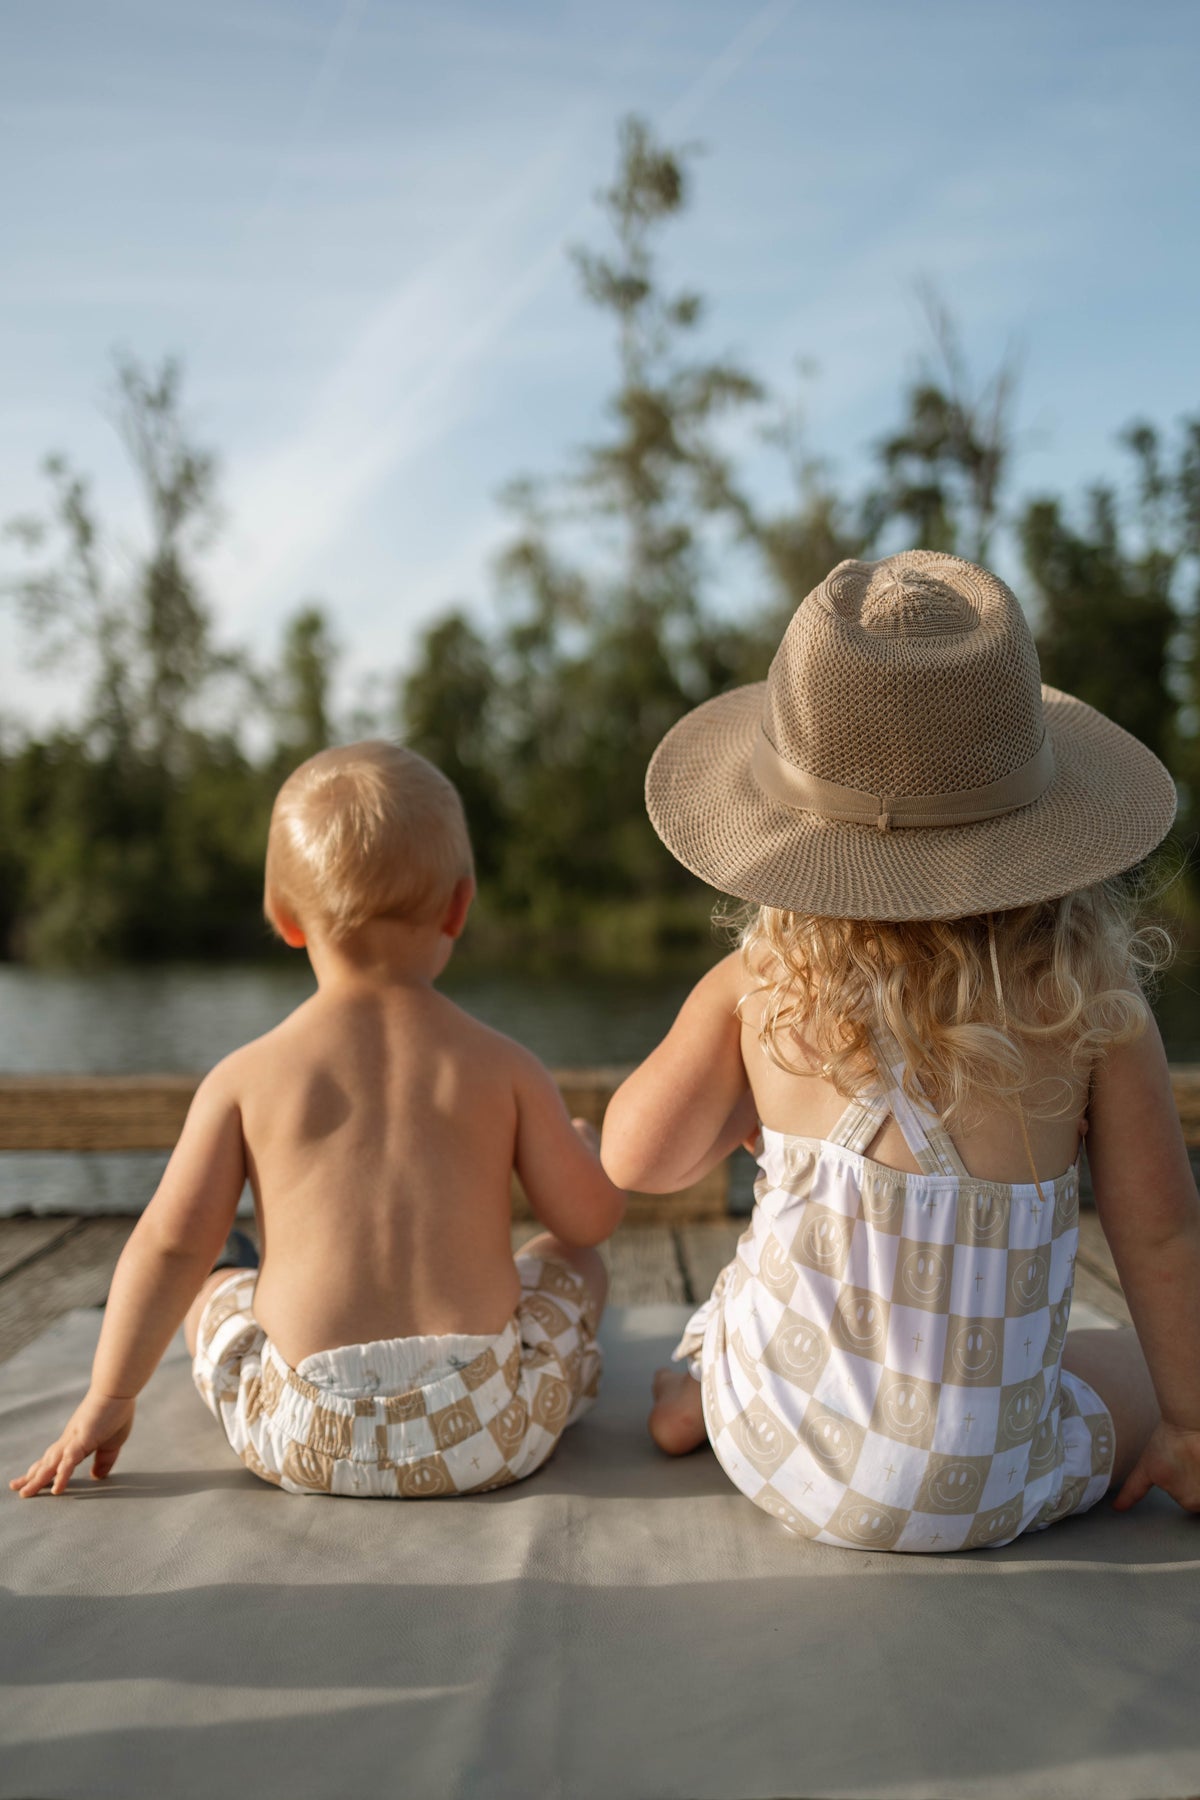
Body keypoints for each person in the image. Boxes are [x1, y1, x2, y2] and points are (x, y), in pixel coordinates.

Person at [602, 549, 1200, 1552]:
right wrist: (1187, 1425)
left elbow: (635, 1159)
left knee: (766, 1269)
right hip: (991, 1484)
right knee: (1126, 1368)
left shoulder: (761, 987)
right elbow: (1163, 1236)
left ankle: (703, 1385)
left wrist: (752, 1100)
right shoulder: (1092, 1002)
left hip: (779, 1443)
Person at [12, 742, 625, 1500]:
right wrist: (587, 1152)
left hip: (301, 1435)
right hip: (484, 1434)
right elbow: (586, 1220)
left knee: (213, 1280)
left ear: (283, 918)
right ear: (460, 905)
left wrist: (108, 1397)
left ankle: (226, 1295)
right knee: (573, 1262)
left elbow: (167, 1244)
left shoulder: (244, 1077)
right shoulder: (504, 1065)